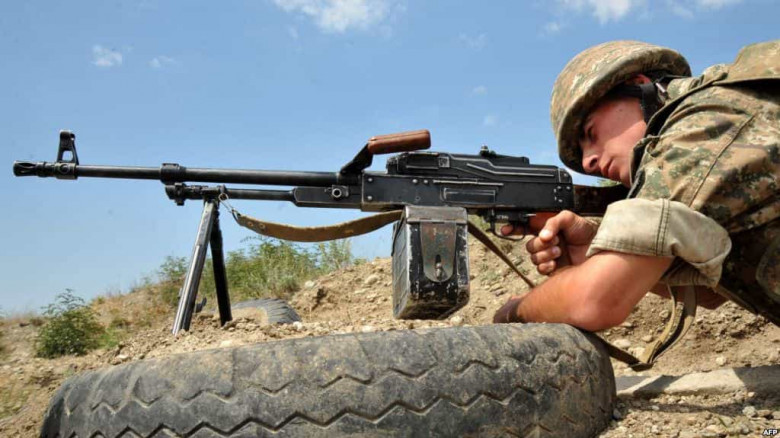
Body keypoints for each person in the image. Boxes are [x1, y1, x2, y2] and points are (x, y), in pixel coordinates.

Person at [493, 40, 779, 335]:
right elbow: (710, 293)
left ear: (638, 85)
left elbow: (594, 302)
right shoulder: (712, 141)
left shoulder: (702, 130)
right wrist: (596, 245)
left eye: (590, 133)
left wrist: (515, 311)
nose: (588, 163)